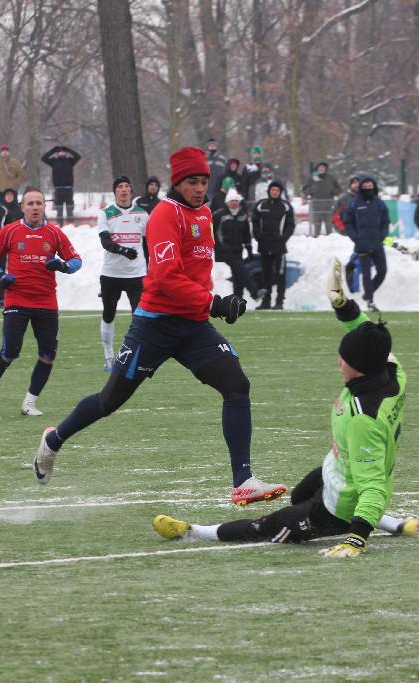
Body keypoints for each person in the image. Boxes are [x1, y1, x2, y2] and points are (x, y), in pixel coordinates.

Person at [33, 146, 286, 506]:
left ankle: (243, 481)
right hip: (155, 326)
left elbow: (197, 270)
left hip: (193, 326)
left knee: (236, 385)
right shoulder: (165, 215)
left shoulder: (204, 213)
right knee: (109, 401)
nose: (200, 188)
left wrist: (218, 302)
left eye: (204, 182)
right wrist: (214, 303)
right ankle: (53, 440)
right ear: (177, 182)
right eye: (192, 182)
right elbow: (166, 277)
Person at [153, 260, 419, 556]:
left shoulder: (363, 418)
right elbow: (372, 339)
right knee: (301, 494)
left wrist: (356, 538)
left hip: (338, 506)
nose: (339, 362)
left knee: (266, 527)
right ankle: (397, 525)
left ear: (360, 367)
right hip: (339, 469)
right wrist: (343, 305)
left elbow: (373, 486)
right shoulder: (393, 373)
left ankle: (191, 531)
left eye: (344, 359)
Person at [0, 187, 82, 416]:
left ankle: (29, 402)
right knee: (10, 351)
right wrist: (1, 275)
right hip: (17, 299)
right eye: (30, 203)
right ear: (22, 207)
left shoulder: (55, 233)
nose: (35, 207)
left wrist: (63, 265)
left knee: (48, 355)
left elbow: (76, 260)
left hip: (46, 302)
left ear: (45, 206)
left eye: (39, 203)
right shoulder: (10, 231)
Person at [96, 175, 149, 371]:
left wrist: (150, 268)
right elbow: (105, 242)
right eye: (120, 187)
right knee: (109, 314)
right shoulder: (106, 213)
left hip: (136, 274)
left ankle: (133, 355)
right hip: (111, 274)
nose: (124, 189)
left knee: (139, 316)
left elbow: (147, 244)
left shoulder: (142, 214)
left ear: (131, 191)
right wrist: (123, 250)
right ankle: (108, 356)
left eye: (127, 186)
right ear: (115, 191)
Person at [342, 177, 390, 312]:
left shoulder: (379, 203)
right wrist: (355, 237)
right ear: (361, 187)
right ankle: (370, 301)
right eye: (365, 186)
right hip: (362, 243)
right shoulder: (354, 203)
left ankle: (368, 294)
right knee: (366, 273)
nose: (368, 188)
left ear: (374, 186)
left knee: (382, 271)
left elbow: (386, 221)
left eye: (370, 186)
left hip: (377, 243)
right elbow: (348, 222)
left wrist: (382, 235)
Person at [252, 180, 295, 310]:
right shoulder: (261, 205)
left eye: (277, 190)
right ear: (269, 191)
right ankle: (266, 302)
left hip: (279, 248)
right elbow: (254, 222)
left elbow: (290, 225)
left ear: (280, 192)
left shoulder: (286, 206)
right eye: (272, 190)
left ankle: (279, 302)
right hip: (264, 246)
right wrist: (258, 237)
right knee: (266, 275)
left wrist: (283, 238)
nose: (274, 192)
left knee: (281, 275)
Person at [213, 188, 260, 302]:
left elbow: (246, 234)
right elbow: (214, 233)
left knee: (238, 274)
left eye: (236, 200)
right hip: (224, 251)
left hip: (238, 250)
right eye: (232, 200)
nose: (234, 203)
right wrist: (223, 247)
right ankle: (254, 292)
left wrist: (249, 248)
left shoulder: (243, 215)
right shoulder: (219, 215)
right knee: (240, 269)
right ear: (227, 202)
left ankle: (237, 300)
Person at [41, 143, 82, 223]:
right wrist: (53, 150)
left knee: (70, 208)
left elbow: (78, 156)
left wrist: (68, 150)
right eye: (59, 152)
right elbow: (44, 158)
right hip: (58, 189)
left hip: (68, 188)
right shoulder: (54, 161)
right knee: (59, 209)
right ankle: (60, 224)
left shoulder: (70, 161)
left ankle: (70, 223)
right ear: (57, 153)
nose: (61, 153)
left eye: (63, 152)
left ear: (65, 153)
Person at [301, 162, 342, 237]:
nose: (321, 169)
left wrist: (331, 188)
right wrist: (311, 189)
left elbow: (339, 190)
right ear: (317, 169)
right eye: (320, 167)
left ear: (326, 169)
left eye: (323, 167)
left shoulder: (331, 178)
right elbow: (304, 190)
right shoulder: (312, 178)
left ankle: (331, 237)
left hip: (328, 205)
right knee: (317, 224)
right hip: (316, 205)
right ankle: (316, 238)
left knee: (329, 224)